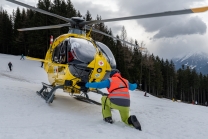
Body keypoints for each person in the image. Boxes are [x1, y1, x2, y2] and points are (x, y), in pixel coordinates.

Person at [76, 69, 141, 130]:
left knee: (104, 98)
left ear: (112, 74)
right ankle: (130, 121)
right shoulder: (125, 81)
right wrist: (136, 84)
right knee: (125, 119)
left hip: (115, 102)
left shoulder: (110, 80)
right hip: (126, 105)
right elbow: (133, 87)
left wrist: (86, 84)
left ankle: (108, 118)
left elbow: (99, 85)